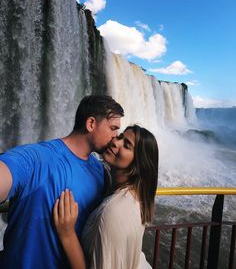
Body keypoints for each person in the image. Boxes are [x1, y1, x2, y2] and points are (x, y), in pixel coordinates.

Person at [0, 95, 124, 269]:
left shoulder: (100, 172)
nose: (116, 137)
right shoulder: (36, 157)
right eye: (112, 128)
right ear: (90, 124)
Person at [53, 125, 159, 269]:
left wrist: (67, 234)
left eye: (126, 145)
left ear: (137, 166)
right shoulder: (133, 196)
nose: (116, 142)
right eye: (120, 137)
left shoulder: (115, 211)